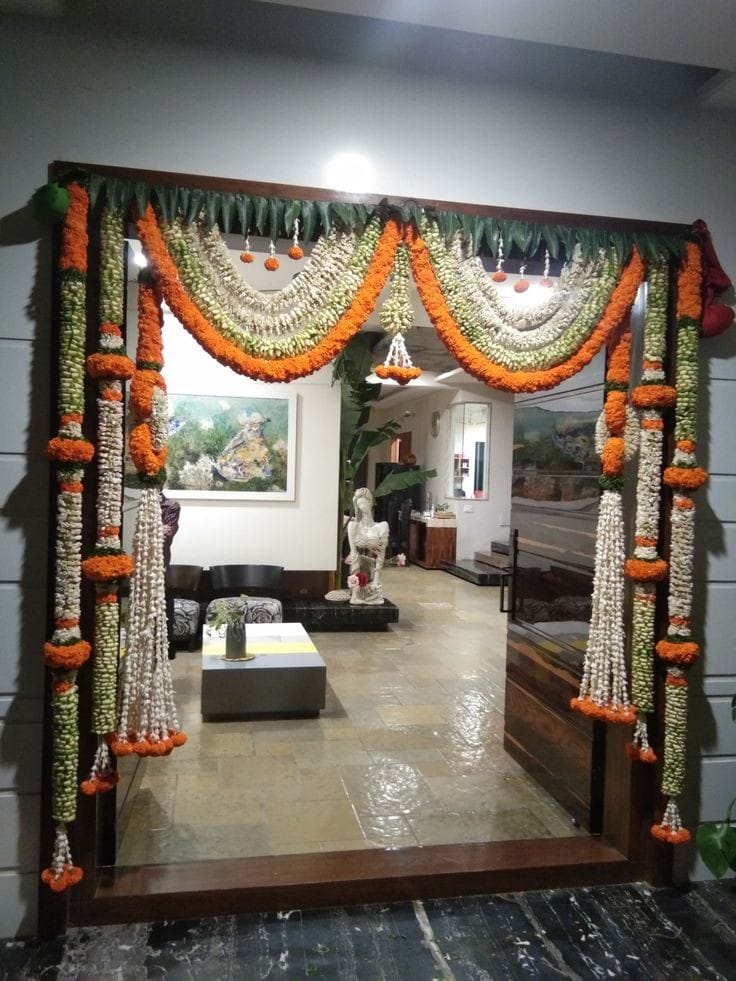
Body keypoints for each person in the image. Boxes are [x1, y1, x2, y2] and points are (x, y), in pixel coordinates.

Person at [346, 487, 389, 606]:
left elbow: (381, 556)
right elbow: (353, 554)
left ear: (370, 502)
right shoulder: (354, 526)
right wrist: (356, 581)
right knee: (355, 557)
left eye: (365, 502)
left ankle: (372, 587)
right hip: (358, 568)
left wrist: (375, 581)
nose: (363, 506)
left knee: (375, 588)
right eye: (359, 504)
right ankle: (356, 594)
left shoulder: (382, 526)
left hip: (372, 569)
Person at [160, 491, 181, 658]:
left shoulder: (171, 505)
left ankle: (165, 649)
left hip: (161, 566)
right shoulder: (138, 504)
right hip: (138, 564)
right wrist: (157, 528)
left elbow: (166, 536)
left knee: (165, 606)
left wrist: (150, 530)